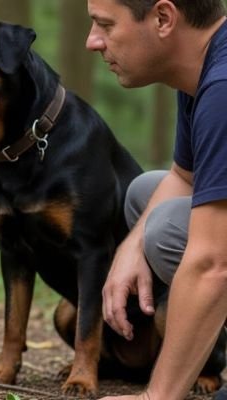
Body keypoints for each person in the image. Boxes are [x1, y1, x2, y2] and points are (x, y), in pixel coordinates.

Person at [86, 0, 227, 399]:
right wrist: (129, 248)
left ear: (163, 19)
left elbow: (215, 264)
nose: (92, 42)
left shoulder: (223, 90)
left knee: (168, 229)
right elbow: (185, 176)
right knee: (146, 194)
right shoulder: (202, 70)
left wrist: (157, 396)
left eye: (105, 25)